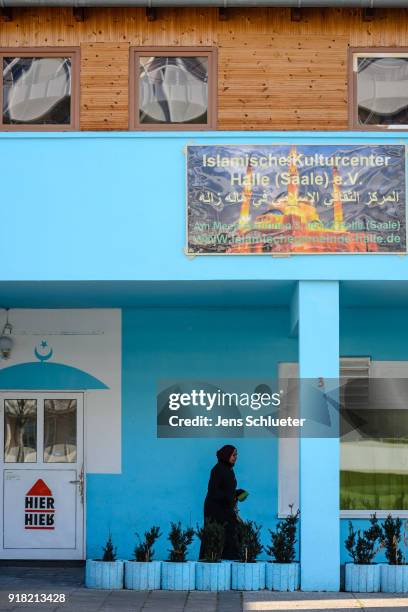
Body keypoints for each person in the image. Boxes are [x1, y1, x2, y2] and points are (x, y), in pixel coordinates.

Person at [201, 444, 243, 560]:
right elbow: (213, 491)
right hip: (216, 510)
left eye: (236, 455)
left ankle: (229, 559)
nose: (235, 457)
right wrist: (230, 496)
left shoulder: (228, 470)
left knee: (233, 532)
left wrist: (237, 493)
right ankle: (216, 559)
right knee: (220, 533)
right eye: (233, 455)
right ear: (226, 455)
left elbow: (227, 489)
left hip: (225, 507)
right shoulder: (218, 469)